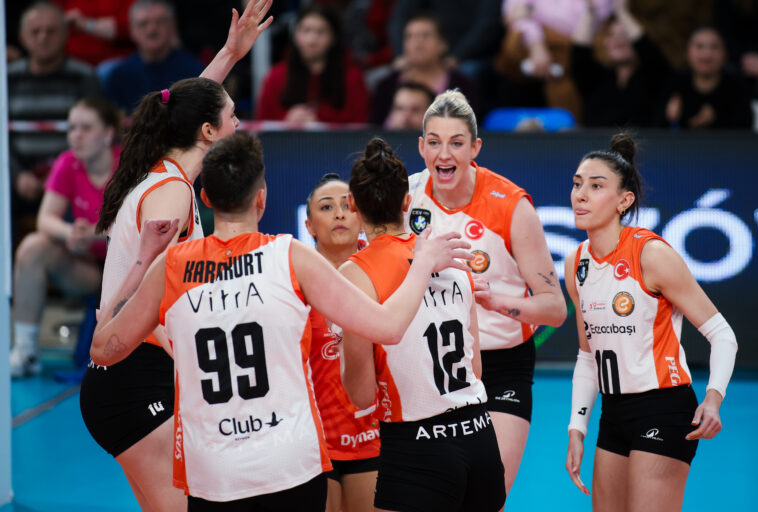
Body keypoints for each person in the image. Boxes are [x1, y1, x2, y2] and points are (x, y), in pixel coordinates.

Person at [89, 131, 471, 510]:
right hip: (289, 465)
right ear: (261, 197)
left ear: (205, 198)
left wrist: (142, 258)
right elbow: (389, 327)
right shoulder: (289, 256)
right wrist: (421, 264)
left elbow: (104, 350)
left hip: (213, 474)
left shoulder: (170, 267)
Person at [79, 2, 274, 510]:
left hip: (129, 374)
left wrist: (230, 54)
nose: (239, 124)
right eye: (232, 117)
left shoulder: (163, 171)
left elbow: (185, 105)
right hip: (132, 376)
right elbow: (141, 305)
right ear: (208, 132)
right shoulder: (172, 194)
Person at [563, 133, 738, 511]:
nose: (580, 195)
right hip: (613, 413)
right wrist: (577, 428)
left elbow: (723, 335)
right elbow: (588, 356)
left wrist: (713, 398)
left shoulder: (651, 254)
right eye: (577, 184)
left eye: (596, 186)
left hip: (664, 407)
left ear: (624, 201)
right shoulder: (576, 262)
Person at [405, 89, 567, 495]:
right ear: (421, 147)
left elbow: (554, 308)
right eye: (435, 143)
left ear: (475, 148)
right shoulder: (405, 198)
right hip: (429, 365)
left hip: (501, 366)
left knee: (486, 498)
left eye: (457, 143)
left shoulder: (511, 206)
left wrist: (497, 301)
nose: (445, 155)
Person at [340, 137, 506, 512]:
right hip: (480, 436)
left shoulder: (355, 274)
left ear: (352, 204)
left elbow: (361, 395)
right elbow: (476, 368)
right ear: (406, 202)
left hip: (417, 447)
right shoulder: (449, 257)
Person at [10, 97, 121, 378]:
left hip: (130, 270)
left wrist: (94, 234)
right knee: (33, 247)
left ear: (108, 133)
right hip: (89, 269)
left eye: (86, 128)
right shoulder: (67, 162)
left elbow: (141, 226)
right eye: (71, 128)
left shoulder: (128, 165)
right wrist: (70, 233)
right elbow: (45, 219)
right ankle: (25, 351)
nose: (76, 135)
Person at [304, 174, 380, 512]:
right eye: (326, 207)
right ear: (309, 225)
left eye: (347, 206)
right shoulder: (291, 281)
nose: (338, 214)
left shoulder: (385, 271)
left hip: (376, 440)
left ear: (360, 216)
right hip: (313, 445)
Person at [8, 1, 101, 246]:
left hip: (70, 176)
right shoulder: (6, 78)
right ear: (22, 37)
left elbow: (94, 134)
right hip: (17, 177)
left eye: (51, 31)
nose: (43, 38)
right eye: (35, 31)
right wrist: (17, 175)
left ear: (65, 35)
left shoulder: (84, 76)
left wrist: (57, 174)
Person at [256, 4, 369, 124]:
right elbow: (263, 121)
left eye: (320, 32)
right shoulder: (276, 76)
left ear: (333, 37)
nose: (311, 40)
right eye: (306, 30)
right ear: (295, 35)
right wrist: (288, 118)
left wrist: (319, 117)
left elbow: (360, 122)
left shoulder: (351, 77)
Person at [571, 0, 670, 127]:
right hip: (598, 140)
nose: (617, 39)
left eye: (624, 34)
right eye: (611, 35)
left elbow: (649, 52)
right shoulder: (597, 80)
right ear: (605, 44)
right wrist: (590, 11)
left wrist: (622, 11)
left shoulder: (653, 78)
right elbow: (579, 52)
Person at [371, 12, 477, 126]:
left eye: (426, 35)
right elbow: (374, 128)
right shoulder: (386, 85)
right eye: (410, 36)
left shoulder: (463, 87)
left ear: (443, 44)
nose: (418, 42)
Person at [102, 0, 205, 114]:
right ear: (132, 30)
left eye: (160, 22)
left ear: (173, 26)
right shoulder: (119, 76)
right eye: (143, 24)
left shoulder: (194, 72)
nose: (151, 30)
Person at [660, 26, 753, 129]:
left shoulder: (736, 88)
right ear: (687, 52)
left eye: (714, 47)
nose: (706, 55)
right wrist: (671, 118)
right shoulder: (675, 85)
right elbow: (655, 128)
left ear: (725, 53)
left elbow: (745, 130)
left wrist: (718, 119)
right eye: (699, 47)